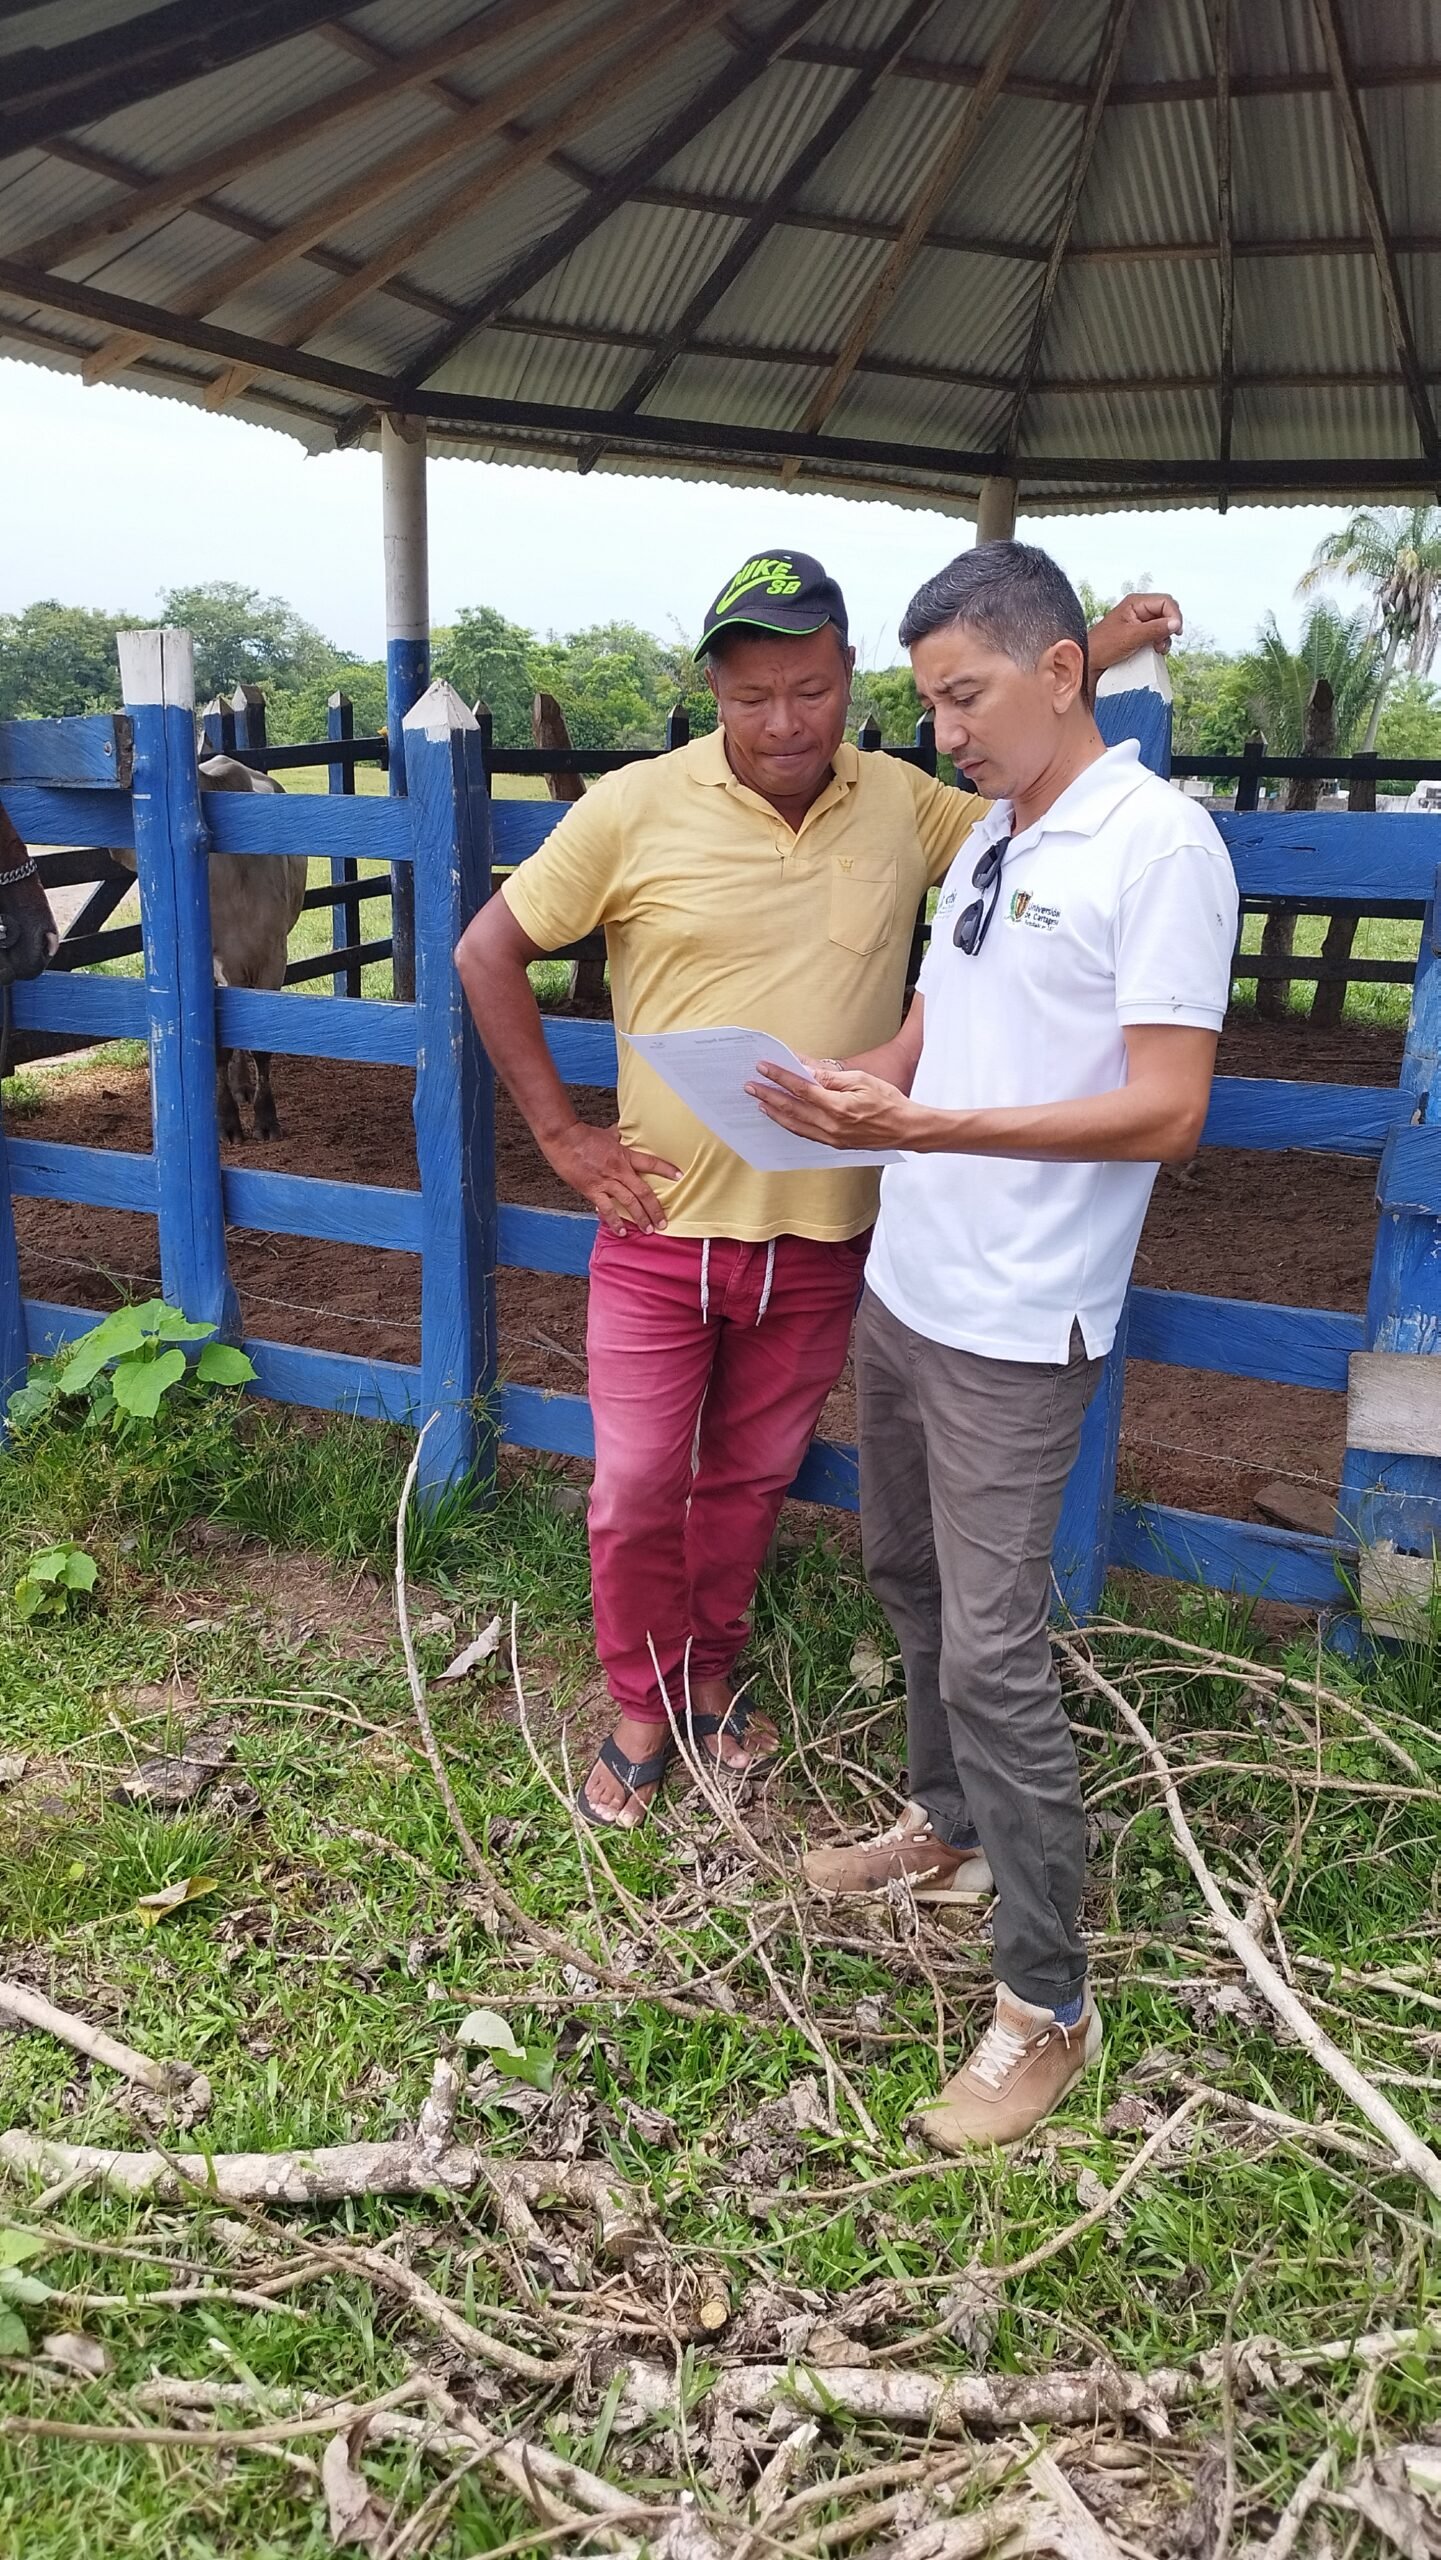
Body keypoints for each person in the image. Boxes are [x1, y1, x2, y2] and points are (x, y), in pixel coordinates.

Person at [454, 549, 1183, 1831]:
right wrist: (564, 1139)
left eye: (807, 689)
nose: (781, 724)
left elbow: (1039, 779)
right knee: (632, 1484)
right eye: (749, 698)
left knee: (744, 1481)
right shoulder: (633, 806)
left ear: (850, 678)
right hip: (662, 1221)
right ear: (712, 693)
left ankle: (714, 1680)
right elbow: (487, 949)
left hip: (832, 1233)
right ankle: (639, 1699)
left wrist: (1096, 651)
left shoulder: (908, 805)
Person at [755, 541, 1237, 2150]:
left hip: (1025, 1318)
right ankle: (947, 1828)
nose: (942, 729)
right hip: (914, 1278)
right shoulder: (989, 845)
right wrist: (852, 1083)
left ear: (1057, 671)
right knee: (902, 1571)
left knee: (996, 1651)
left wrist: (933, 1121)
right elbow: (937, 1024)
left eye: (961, 696)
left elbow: (1170, 1111)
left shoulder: (1153, 845)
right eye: (929, 702)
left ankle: (1047, 2001)